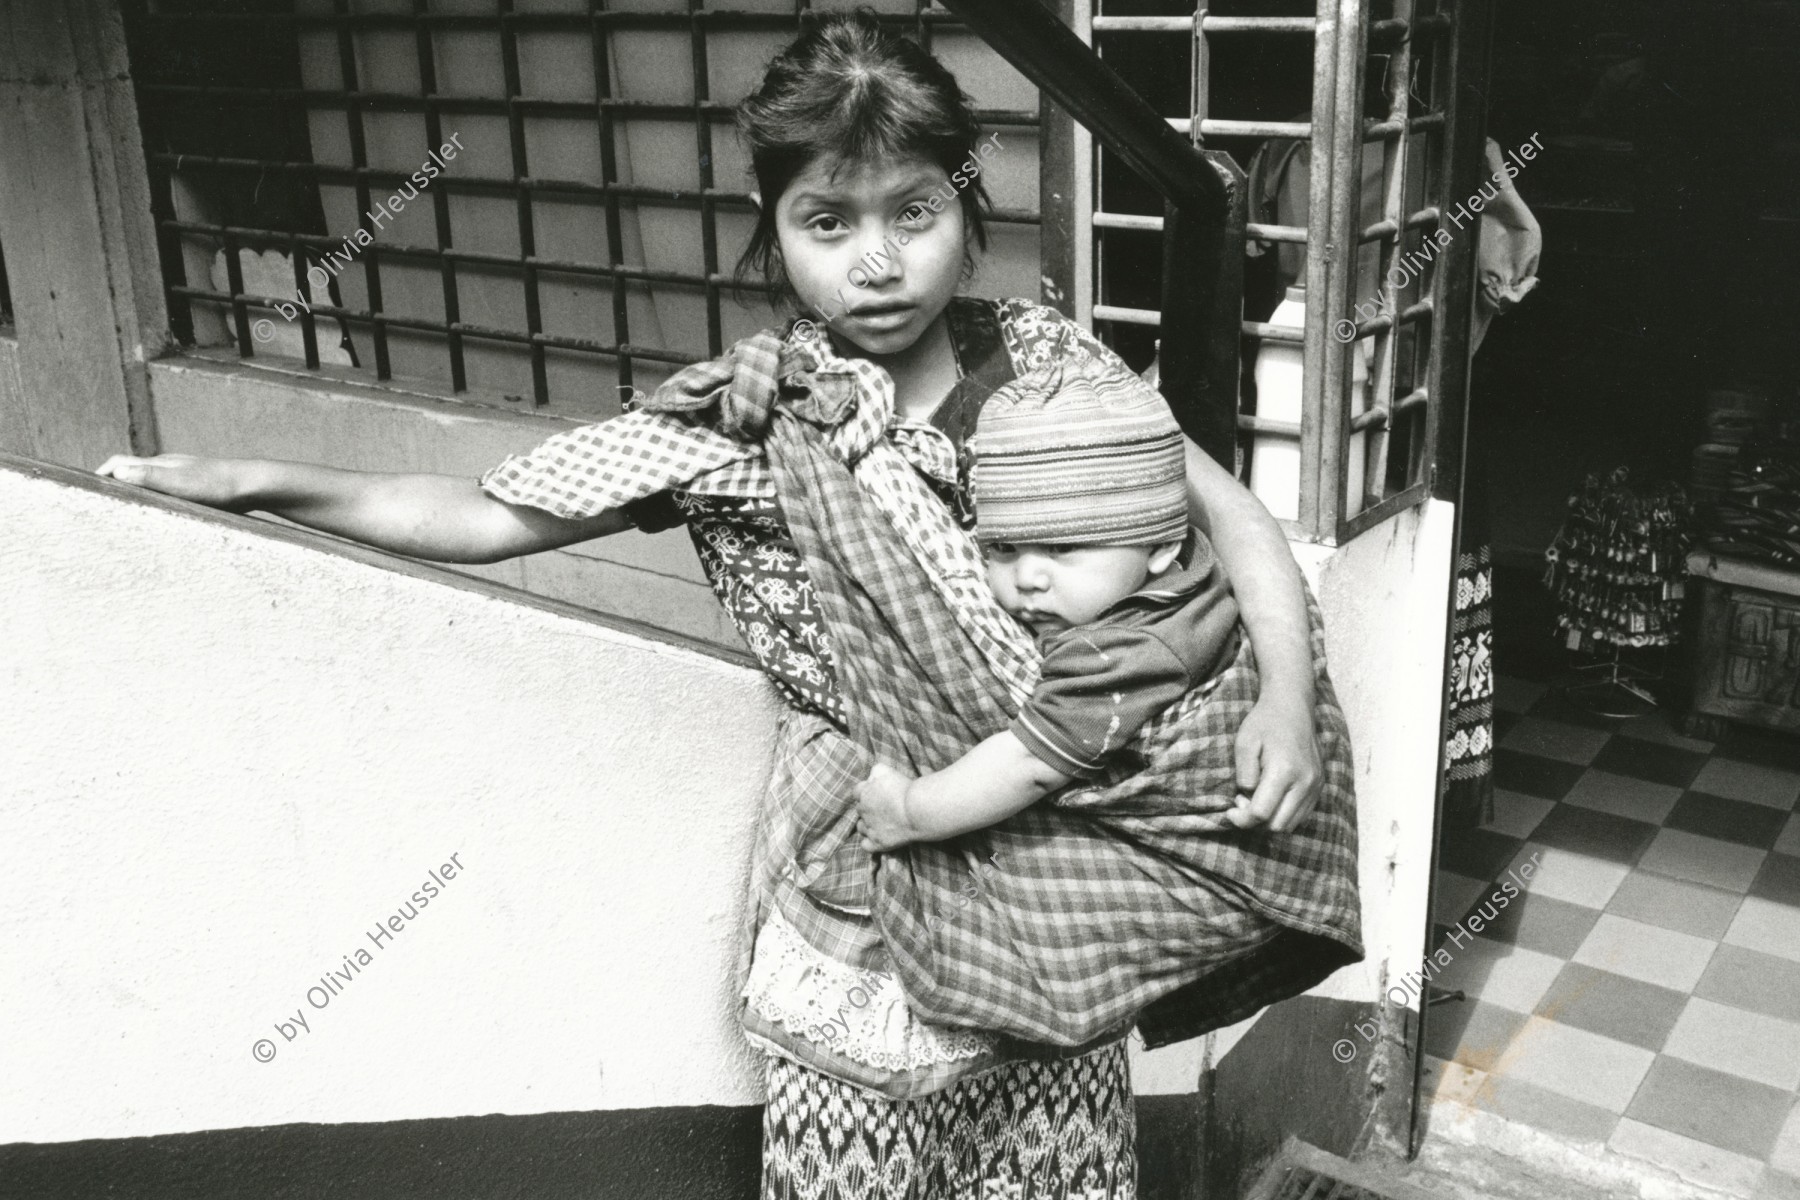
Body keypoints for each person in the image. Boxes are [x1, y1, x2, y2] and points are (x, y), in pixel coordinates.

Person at [97, 13, 1353, 1198]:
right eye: (827, 219)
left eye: (913, 211)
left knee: (1051, 1162)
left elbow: (1228, 513)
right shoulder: (742, 419)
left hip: (1067, 881)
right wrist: (260, 478)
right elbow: (491, 512)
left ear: (964, 206)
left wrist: (1287, 706)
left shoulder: (1050, 367)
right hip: (865, 870)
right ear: (774, 222)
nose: (876, 260)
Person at [851, 360, 1247, 849]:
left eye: (1062, 550)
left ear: (1162, 546)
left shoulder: (1127, 652)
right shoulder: (1178, 572)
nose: (1028, 578)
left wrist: (909, 813)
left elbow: (1031, 766)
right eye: (1004, 549)